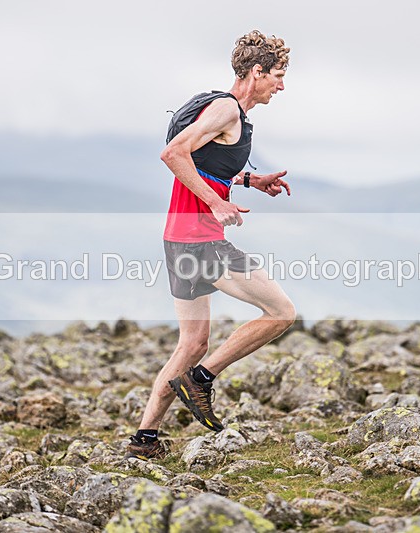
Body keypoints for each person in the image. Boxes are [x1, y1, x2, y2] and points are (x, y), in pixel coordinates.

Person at [126, 30, 296, 460]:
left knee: (192, 341)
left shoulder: (224, 110)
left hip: (179, 239)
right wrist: (216, 202)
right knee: (281, 313)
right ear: (256, 72)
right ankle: (201, 380)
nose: (281, 84)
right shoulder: (225, 109)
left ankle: (145, 439)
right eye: (277, 74)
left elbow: (204, 161)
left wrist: (247, 181)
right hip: (202, 241)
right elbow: (173, 154)